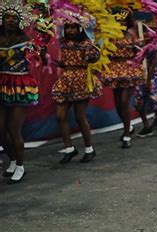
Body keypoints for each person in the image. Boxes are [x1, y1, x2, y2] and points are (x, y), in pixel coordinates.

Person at [52, 18, 101, 163]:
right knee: (60, 115)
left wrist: (97, 47)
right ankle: (69, 149)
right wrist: (48, 59)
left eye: (74, 27)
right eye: (68, 27)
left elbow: (93, 60)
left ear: (80, 29)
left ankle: (89, 149)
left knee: (80, 117)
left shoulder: (86, 44)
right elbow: (64, 62)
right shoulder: (63, 43)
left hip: (81, 80)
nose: (70, 30)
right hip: (66, 80)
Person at [0, 1, 38, 184]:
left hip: (20, 85)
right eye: (6, 18)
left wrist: (41, 53)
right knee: (1, 131)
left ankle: (21, 166)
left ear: (19, 20)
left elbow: (39, 59)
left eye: (13, 18)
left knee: (14, 129)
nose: (9, 21)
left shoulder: (26, 41)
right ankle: (13, 160)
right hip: (2, 84)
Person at [101, 9, 144, 149]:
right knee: (118, 104)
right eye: (118, 19)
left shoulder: (132, 34)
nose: (121, 22)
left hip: (128, 68)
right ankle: (129, 126)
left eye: (124, 19)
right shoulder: (111, 35)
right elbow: (106, 51)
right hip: (114, 69)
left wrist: (141, 48)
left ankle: (126, 134)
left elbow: (139, 52)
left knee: (125, 102)